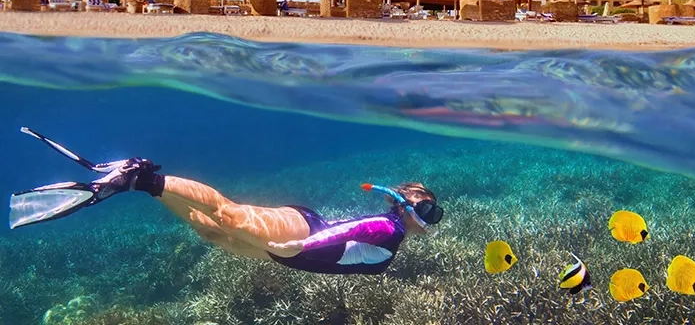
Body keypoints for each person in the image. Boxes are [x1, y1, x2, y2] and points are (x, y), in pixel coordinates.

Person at [8, 127, 443, 275]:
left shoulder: (395, 236)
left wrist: (291, 255)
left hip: (286, 254)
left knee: (213, 231)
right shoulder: (389, 229)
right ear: (403, 206)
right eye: (428, 210)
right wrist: (301, 246)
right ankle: (146, 173)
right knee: (230, 215)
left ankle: (137, 186)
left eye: (433, 213)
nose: (431, 219)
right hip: (302, 234)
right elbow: (349, 232)